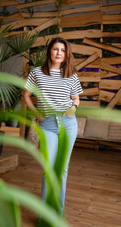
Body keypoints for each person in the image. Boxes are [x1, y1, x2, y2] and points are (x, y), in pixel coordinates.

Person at [24, 37, 83, 214]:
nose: (59, 53)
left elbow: (76, 99)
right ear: (50, 51)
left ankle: (57, 214)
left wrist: (73, 107)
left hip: (68, 124)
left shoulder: (71, 74)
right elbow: (26, 95)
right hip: (47, 124)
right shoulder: (37, 73)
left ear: (66, 54)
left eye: (62, 50)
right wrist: (36, 113)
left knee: (62, 170)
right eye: (56, 49)